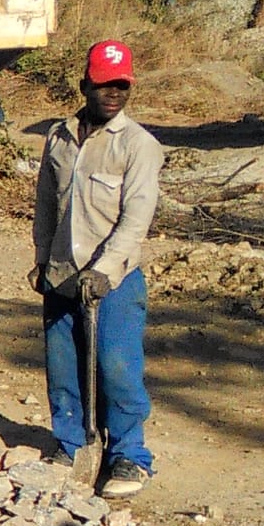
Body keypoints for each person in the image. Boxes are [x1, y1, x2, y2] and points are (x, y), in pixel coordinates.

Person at [31, 39, 163, 499]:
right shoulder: (60, 137)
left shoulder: (138, 146)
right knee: (63, 365)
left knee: (116, 366)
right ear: (85, 84)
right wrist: (42, 259)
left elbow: (135, 220)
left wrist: (105, 270)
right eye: (105, 85)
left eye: (121, 86)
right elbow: (46, 203)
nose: (113, 94)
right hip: (63, 274)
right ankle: (69, 445)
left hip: (115, 281)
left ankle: (129, 455)